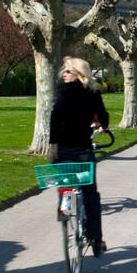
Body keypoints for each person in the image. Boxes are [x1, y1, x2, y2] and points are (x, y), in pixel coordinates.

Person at [48, 57, 110, 256]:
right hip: (83, 150)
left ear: (78, 74)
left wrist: (53, 144)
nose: (64, 74)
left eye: (68, 71)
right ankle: (96, 238)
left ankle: (64, 204)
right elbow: (104, 117)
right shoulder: (92, 93)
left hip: (63, 150)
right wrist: (99, 125)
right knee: (90, 193)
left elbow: (55, 116)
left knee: (64, 182)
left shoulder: (62, 90)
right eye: (64, 71)